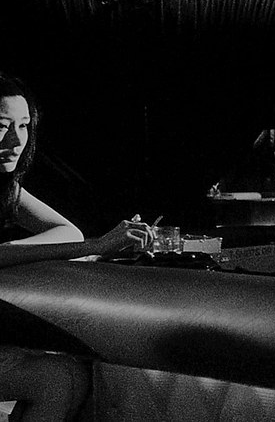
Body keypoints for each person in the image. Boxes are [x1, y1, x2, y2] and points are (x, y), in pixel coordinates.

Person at [0, 71, 154, 421]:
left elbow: (67, 231)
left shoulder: (7, 188)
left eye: (23, 126)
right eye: (2, 125)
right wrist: (97, 245)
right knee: (56, 380)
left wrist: (95, 248)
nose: (16, 139)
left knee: (68, 375)